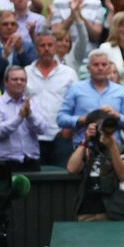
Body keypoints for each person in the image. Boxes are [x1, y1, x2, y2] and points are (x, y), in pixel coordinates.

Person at [66, 109, 124, 221]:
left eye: (105, 125)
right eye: (98, 126)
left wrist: (112, 145)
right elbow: (71, 169)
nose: (102, 129)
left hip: (114, 212)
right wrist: (85, 141)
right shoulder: (86, 149)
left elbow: (123, 174)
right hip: (87, 211)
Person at [57, 49, 124, 147]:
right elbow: (61, 119)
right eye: (96, 65)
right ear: (88, 68)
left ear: (109, 67)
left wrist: (116, 116)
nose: (100, 68)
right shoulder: (76, 88)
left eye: (103, 64)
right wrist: (82, 119)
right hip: (83, 146)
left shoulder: (119, 90)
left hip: (111, 148)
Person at [26, 29, 78, 167]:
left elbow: (77, 103)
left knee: (61, 178)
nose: (47, 49)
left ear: (55, 47)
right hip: (32, 137)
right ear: (36, 49)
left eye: (50, 45)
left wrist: (70, 128)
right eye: (42, 46)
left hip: (61, 135)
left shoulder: (69, 74)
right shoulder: (25, 73)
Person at [0, 65, 46, 172]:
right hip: (5, 164)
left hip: (31, 162)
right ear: (6, 82)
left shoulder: (31, 104)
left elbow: (42, 129)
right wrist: (19, 117)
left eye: (22, 80)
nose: (19, 82)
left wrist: (30, 115)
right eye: (15, 79)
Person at [0, 11, 37, 85]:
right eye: (5, 24)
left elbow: (34, 74)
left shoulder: (28, 47)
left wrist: (20, 51)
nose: (9, 27)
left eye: (13, 24)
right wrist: (4, 58)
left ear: (17, 27)